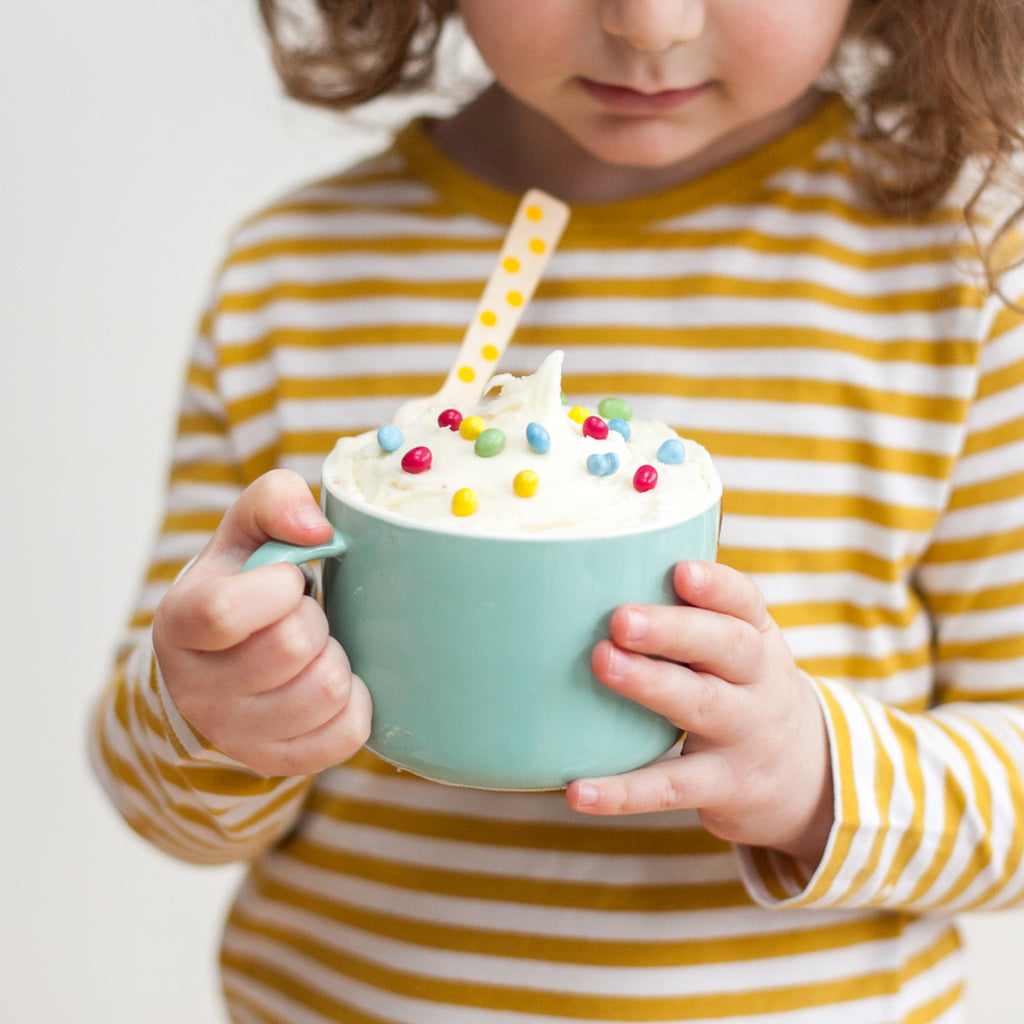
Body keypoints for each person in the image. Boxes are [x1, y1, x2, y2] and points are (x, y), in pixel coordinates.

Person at [91, 1, 1024, 1020]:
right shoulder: (291, 278)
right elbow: (160, 806)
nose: (651, 24)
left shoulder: (967, 275)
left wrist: (812, 776)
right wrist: (210, 717)